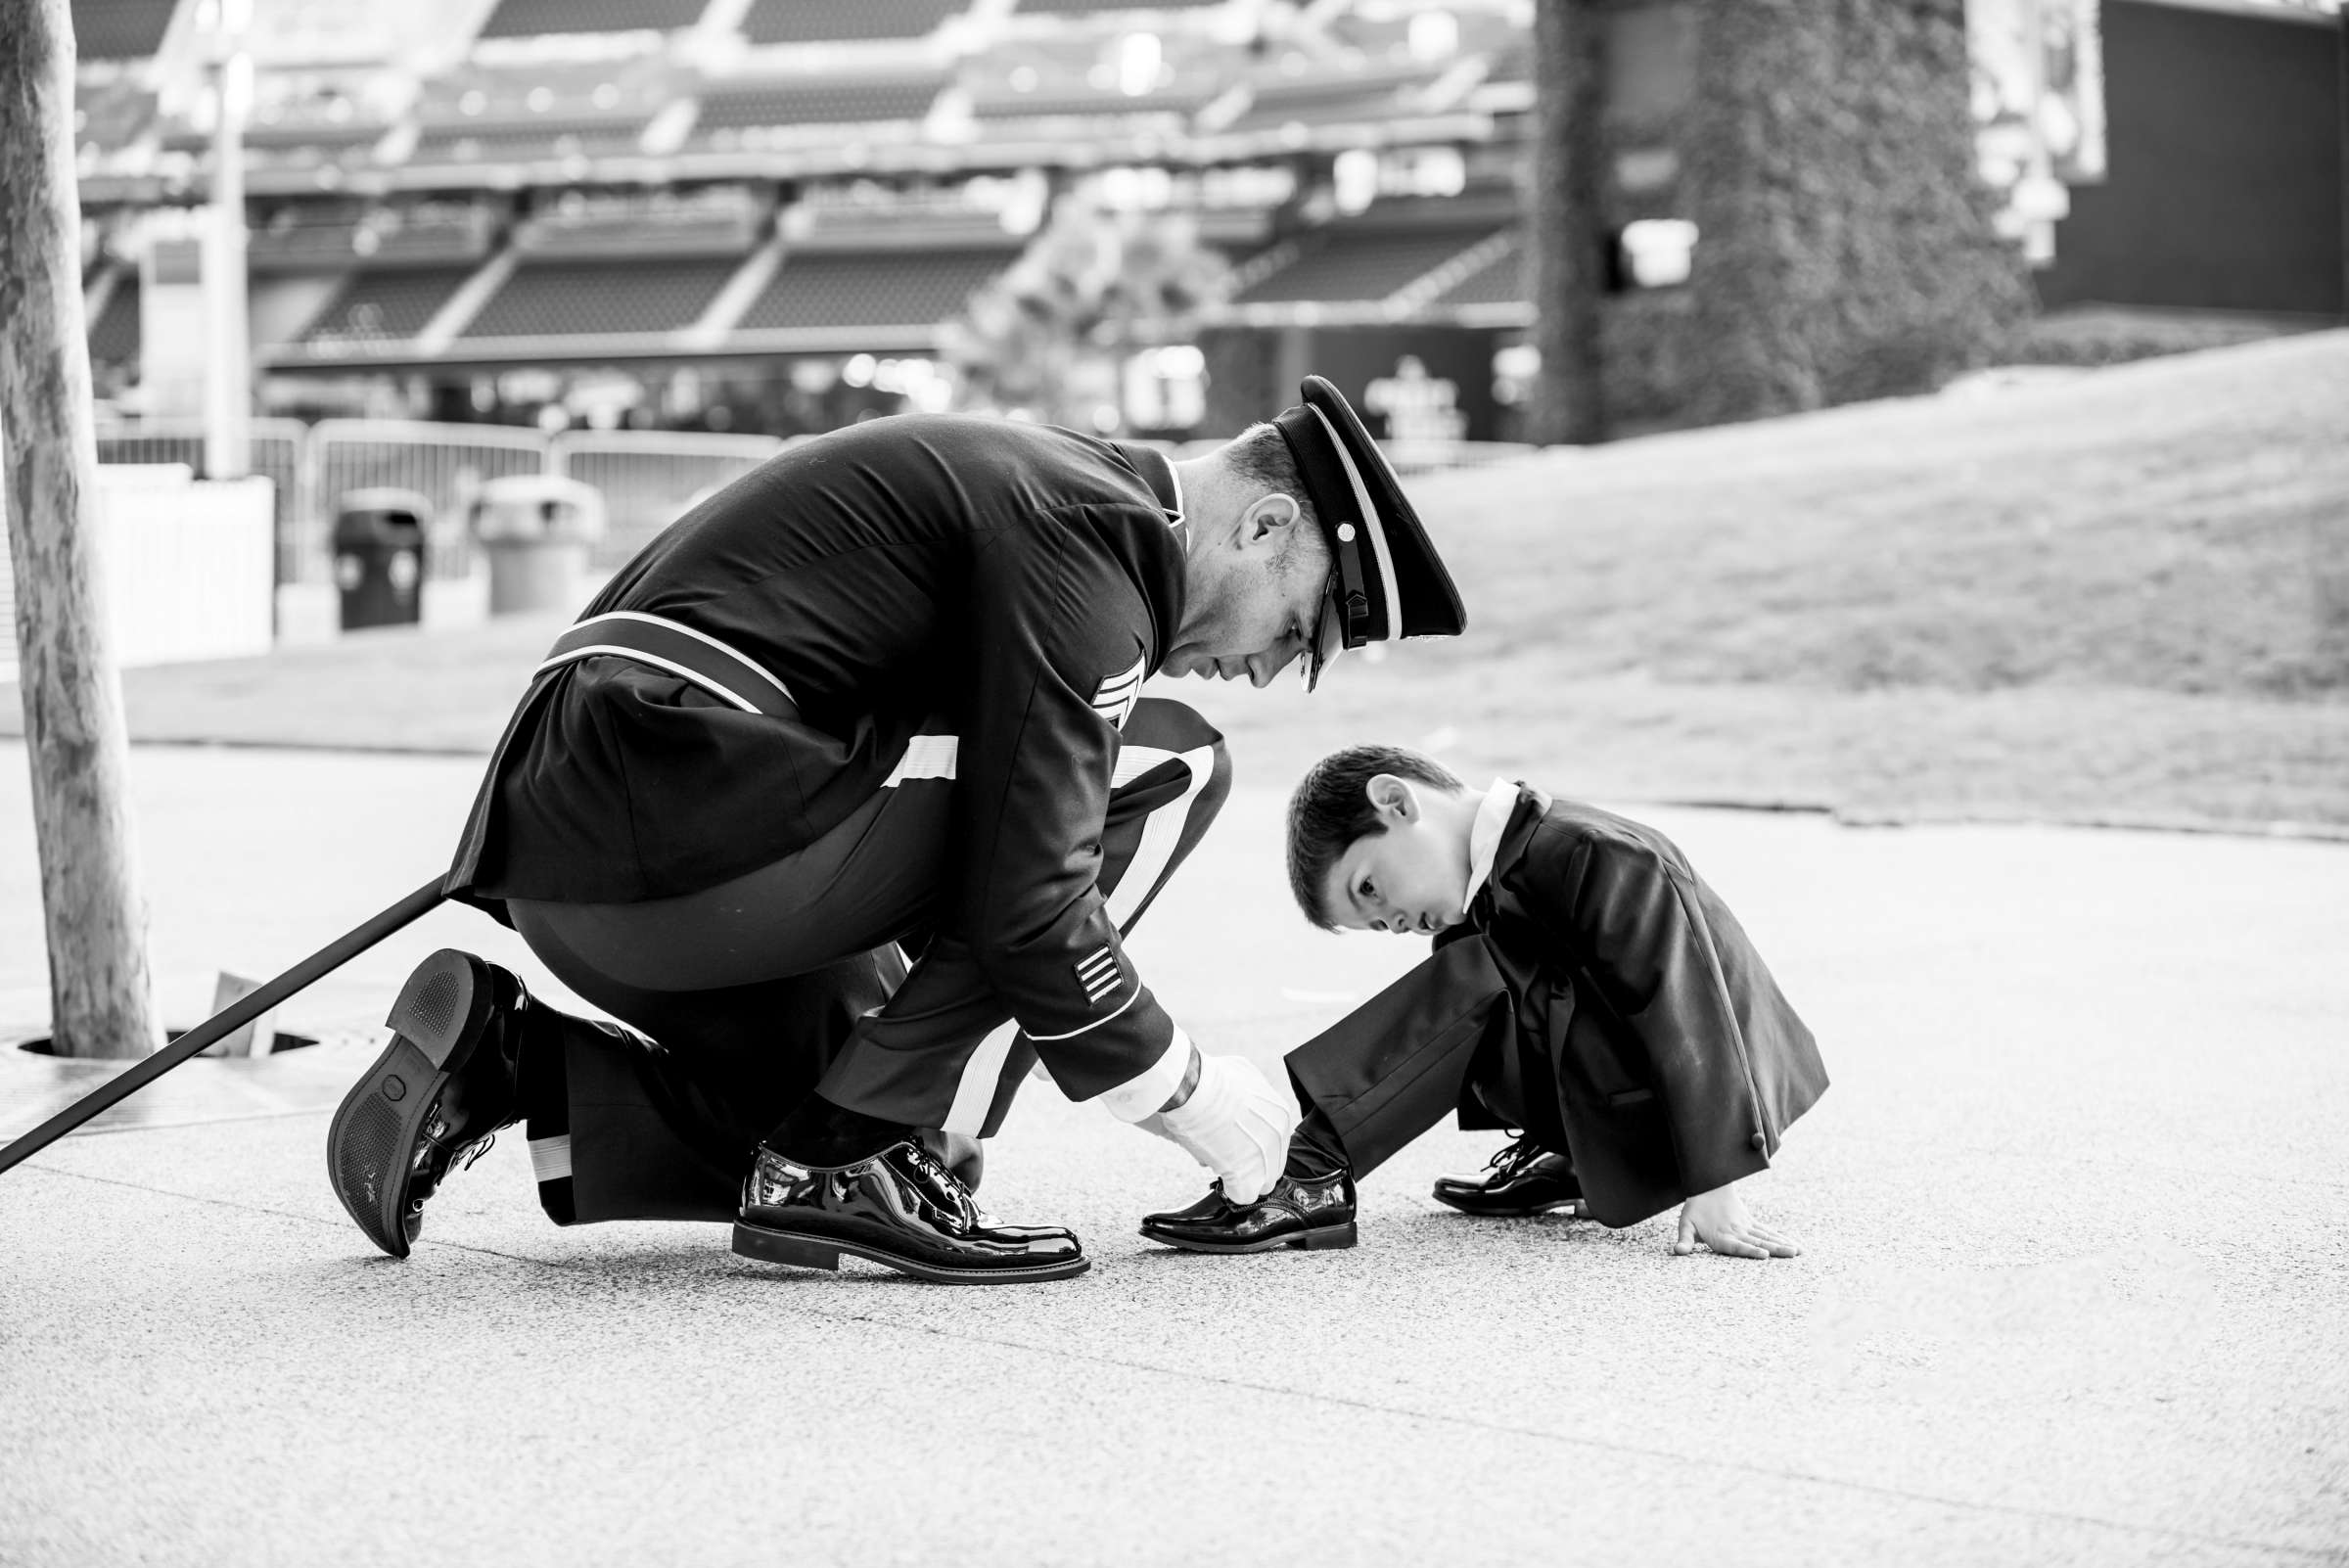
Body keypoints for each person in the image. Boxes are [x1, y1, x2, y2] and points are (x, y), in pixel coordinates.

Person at [325, 379, 1467, 1286]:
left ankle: (520, 1061)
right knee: (1177, 759)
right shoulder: (1104, 547)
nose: (1276, 669)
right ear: (1265, 526)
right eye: (1307, 628)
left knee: (818, 1119)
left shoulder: (1058, 484)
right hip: (685, 831)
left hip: (593, 857)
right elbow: (1033, 903)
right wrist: (1193, 1094)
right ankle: (882, 1152)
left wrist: (899, 1100)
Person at [1138, 745, 1827, 1260]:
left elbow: (1689, 1007)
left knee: (1481, 973)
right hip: (1624, 1107)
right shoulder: (1494, 872)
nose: (1393, 923)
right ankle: (1576, 1160)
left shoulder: (1589, 850)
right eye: (1375, 925)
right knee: (1478, 959)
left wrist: (1717, 1183)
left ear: (1398, 802)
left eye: (1371, 890)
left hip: (1706, 1109)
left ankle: (1312, 1175)